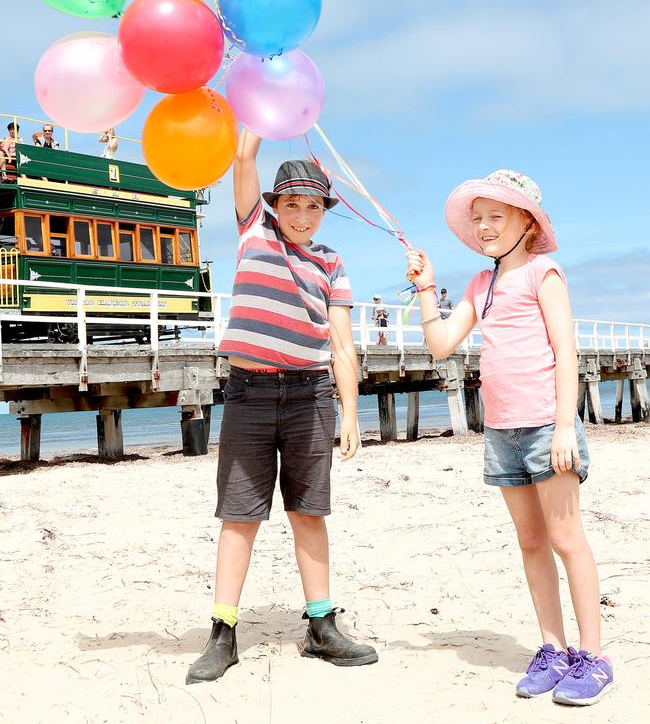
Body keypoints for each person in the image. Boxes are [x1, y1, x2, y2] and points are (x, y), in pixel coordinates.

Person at [406, 169, 612, 706]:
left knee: (568, 540)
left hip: (547, 424)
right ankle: (553, 648)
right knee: (531, 541)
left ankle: (592, 656)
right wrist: (427, 289)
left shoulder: (544, 272)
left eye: (495, 216)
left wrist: (566, 424)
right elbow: (442, 345)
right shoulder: (481, 284)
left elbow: (567, 351)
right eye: (477, 219)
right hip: (501, 430)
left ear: (526, 220)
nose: (484, 227)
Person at [186, 129, 378, 685]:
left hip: (310, 394)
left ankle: (322, 627)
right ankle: (223, 634)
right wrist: (257, 103)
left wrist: (350, 412)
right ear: (273, 205)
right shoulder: (253, 232)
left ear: (323, 210)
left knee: (309, 513)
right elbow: (243, 155)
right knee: (239, 515)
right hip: (249, 391)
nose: (301, 214)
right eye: (291, 203)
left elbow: (342, 343)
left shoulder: (331, 263)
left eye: (312, 205)